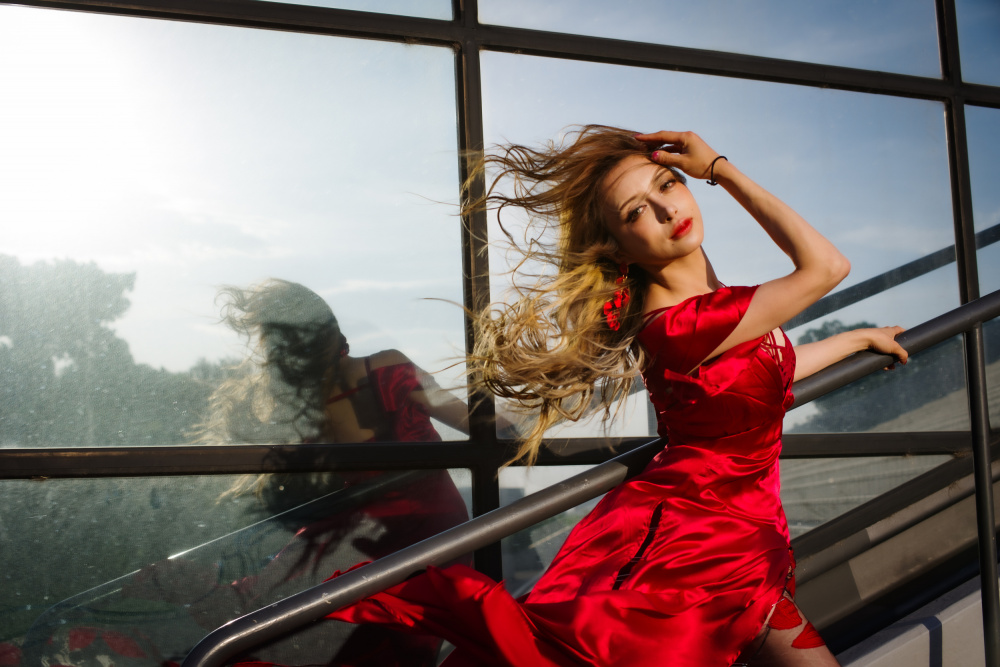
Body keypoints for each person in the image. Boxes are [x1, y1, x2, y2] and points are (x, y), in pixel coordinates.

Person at [323, 127, 909, 667]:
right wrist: (719, 169)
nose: (668, 209)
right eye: (636, 211)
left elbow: (767, 370)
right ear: (619, 249)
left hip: (742, 538)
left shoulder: (722, 308)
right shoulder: (674, 326)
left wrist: (856, 339)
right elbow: (827, 266)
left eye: (668, 184)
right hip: (694, 551)